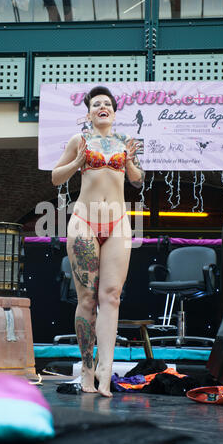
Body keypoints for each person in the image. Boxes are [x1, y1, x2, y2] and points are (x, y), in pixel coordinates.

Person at [52, 86, 145, 397]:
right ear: (89, 112)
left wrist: (130, 161)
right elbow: (56, 177)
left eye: (107, 104)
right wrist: (76, 161)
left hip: (118, 221)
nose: (102, 107)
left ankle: (106, 370)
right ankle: (87, 370)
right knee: (88, 299)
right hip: (85, 222)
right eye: (96, 104)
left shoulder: (124, 143)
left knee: (112, 297)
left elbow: (137, 179)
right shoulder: (80, 141)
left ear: (114, 113)